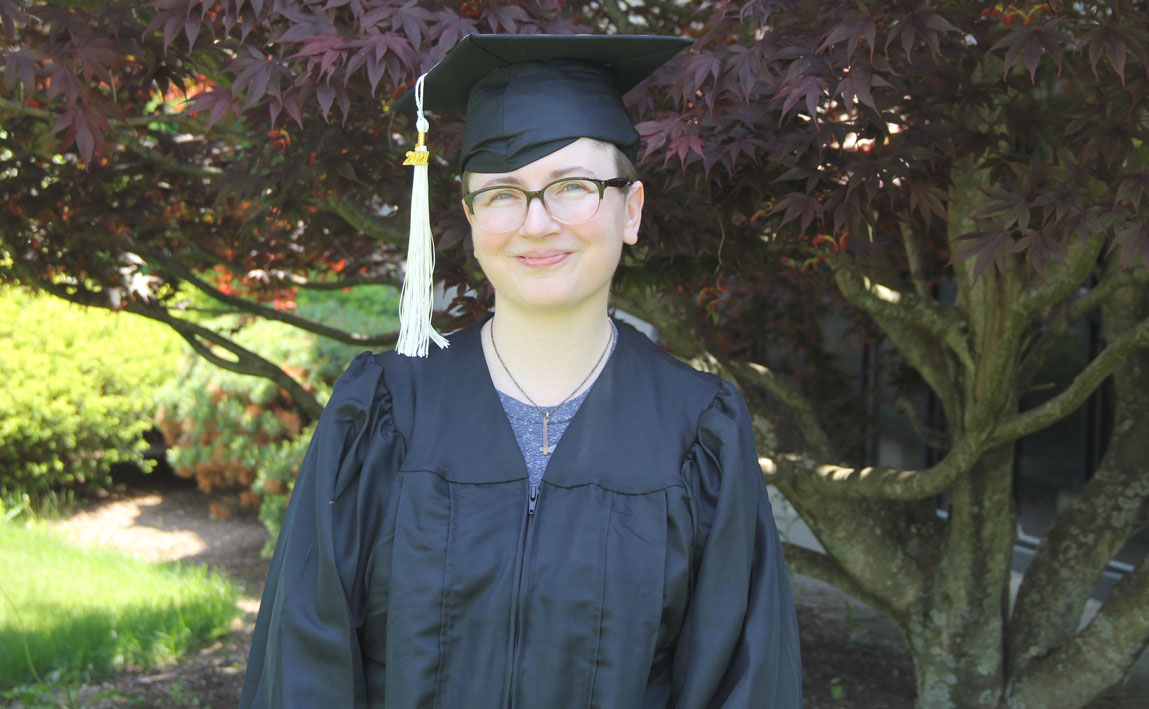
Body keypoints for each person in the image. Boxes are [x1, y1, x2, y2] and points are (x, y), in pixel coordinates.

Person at [240, 33, 801, 708]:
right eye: (503, 194)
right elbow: (305, 659)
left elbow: (740, 680)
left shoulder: (698, 430)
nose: (536, 223)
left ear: (632, 210)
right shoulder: (383, 409)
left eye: (572, 187)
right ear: (471, 217)